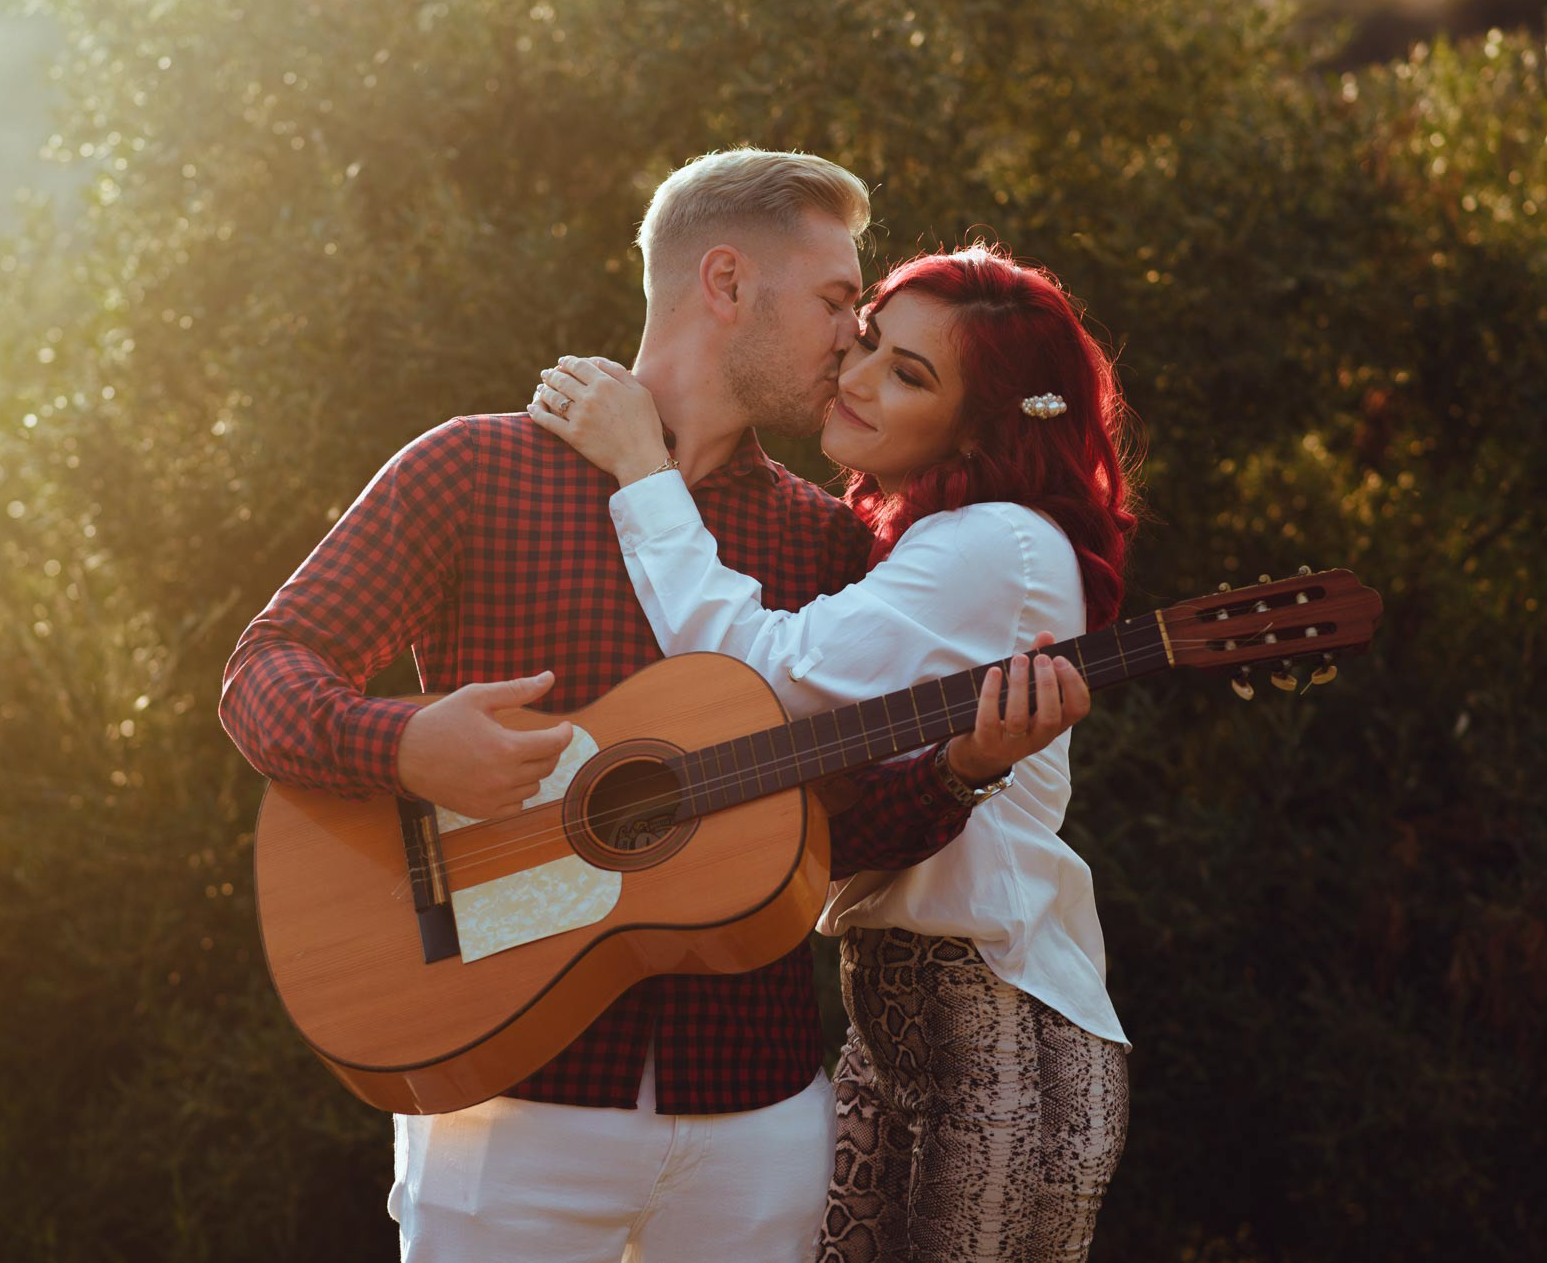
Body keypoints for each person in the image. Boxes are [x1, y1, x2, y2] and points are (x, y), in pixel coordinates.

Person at [218, 151, 1089, 1263]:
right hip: (507, 1100)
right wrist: (401, 743)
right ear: (725, 282)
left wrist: (962, 768)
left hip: (759, 1116)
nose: (850, 341)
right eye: (835, 302)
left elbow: (831, 835)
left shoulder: (824, 544)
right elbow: (267, 669)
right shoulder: (474, 471)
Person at [528, 241, 1140, 1262]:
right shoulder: (917, 543)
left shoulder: (997, 542)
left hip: (999, 1028)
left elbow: (757, 676)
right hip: (893, 1014)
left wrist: (642, 465)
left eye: (909, 373)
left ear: (983, 425)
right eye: (866, 345)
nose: (855, 379)